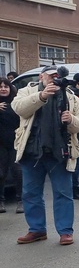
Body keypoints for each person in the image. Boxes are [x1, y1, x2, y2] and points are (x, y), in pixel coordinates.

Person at [12, 65, 79, 245]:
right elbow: (19, 108)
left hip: (60, 152)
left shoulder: (71, 96)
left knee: (63, 193)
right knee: (30, 193)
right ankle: (37, 230)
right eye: (51, 75)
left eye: (57, 76)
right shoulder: (27, 91)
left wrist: (72, 120)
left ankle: (65, 232)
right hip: (32, 151)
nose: (54, 79)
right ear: (41, 77)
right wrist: (42, 96)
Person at [0, 78, 23, 213]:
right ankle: (1, 201)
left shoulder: (16, 103)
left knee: (18, 172)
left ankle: (21, 201)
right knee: (1, 174)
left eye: (6, 86)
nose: (3, 89)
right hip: (1, 145)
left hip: (15, 143)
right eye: (1, 86)